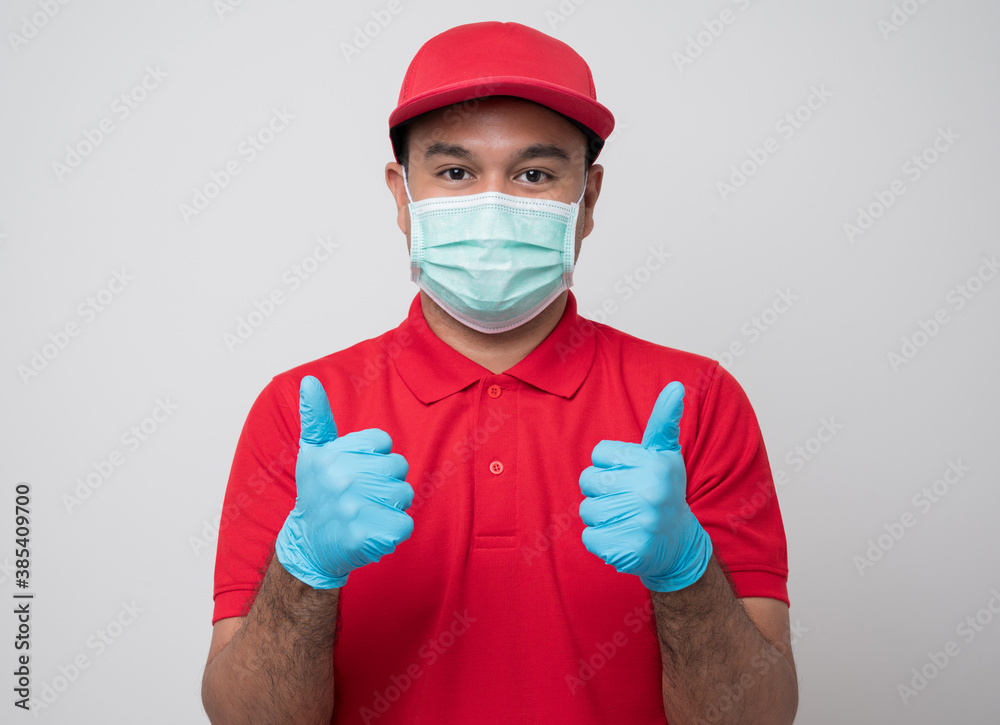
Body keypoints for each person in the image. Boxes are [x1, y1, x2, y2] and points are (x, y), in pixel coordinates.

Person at [201, 21, 797, 725]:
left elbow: (758, 718)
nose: (492, 205)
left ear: (588, 199)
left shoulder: (696, 402)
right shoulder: (303, 413)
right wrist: (304, 571)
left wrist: (685, 574)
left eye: (534, 175)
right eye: (456, 172)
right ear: (402, 195)